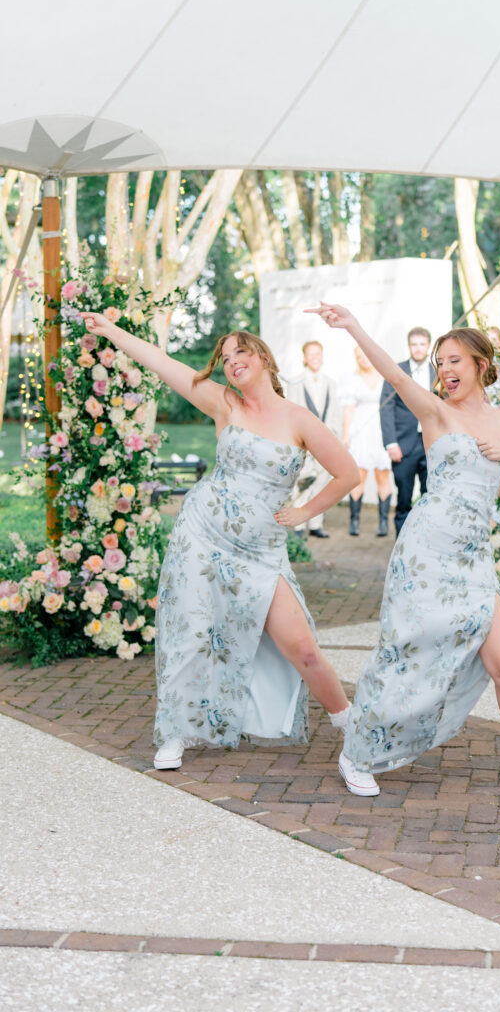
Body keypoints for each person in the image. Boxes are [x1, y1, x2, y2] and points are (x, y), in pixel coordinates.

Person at [306, 303, 500, 797]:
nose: (445, 370)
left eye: (455, 360)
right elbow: (390, 370)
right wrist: (353, 327)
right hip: (428, 550)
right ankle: (358, 752)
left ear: (480, 364)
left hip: (475, 555)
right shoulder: (434, 411)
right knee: (405, 653)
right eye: (440, 362)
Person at [81, 312, 358, 771]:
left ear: (263, 357)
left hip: (261, 551)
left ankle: (350, 724)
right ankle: (176, 731)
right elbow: (160, 361)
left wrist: (307, 511)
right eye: (224, 358)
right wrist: (111, 332)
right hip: (201, 537)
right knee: (190, 633)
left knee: (302, 645)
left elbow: (348, 472)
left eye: (240, 353)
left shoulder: (299, 419)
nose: (231, 362)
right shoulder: (224, 404)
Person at [379, 327, 432, 536]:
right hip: (403, 445)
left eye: (422, 344)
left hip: (430, 443)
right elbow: (386, 407)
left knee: (431, 496)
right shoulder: (396, 370)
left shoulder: (437, 371)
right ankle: (402, 542)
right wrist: (391, 443)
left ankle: (427, 540)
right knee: (404, 498)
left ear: (428, 345)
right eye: (414, 344)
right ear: (409, 346)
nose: (418, 348)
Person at [286, 340, 341, 539]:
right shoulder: (295, 382)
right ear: (304, 358)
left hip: (326, 443)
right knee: (302, 481)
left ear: (322, 356)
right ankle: (299, 526)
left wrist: (337, 441)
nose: (315, 357)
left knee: (322, 482)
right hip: (304, 443)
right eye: (311, 354)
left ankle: (316, 524)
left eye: (318, 353)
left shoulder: (331, 383)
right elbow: (291, 414)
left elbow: (335, 414)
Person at [341, 346, 393, 537]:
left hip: (382, 430)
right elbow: (348, 409)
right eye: (359, 357)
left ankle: (383, 523)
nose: (364, 360)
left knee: (382, 475)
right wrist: (345, 435)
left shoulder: (385, 377)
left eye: (366, 355)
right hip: (360, 431)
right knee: (359, 476)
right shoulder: (352, 380)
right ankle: (354, 522)